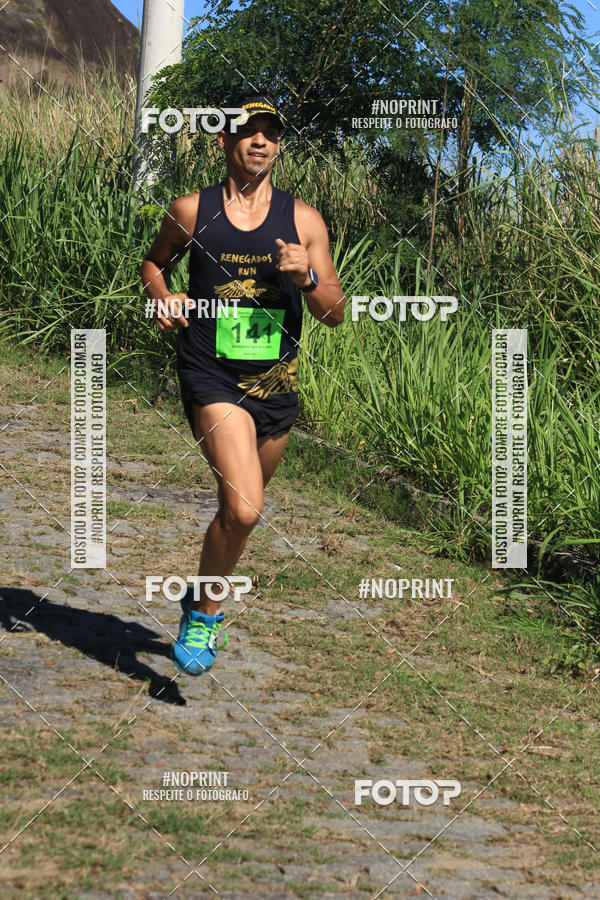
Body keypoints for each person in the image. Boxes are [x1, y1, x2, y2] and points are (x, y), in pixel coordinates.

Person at [140, 91, 345, 676]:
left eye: (271, 132)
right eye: (249, 130)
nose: (261, 141)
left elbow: (335, 312)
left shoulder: (303, 221)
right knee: (246, 507)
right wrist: (163, 297)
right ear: (225, 139)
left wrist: (307, 277)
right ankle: (206, 617)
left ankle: (200, 594)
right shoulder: (190, 211)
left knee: (235, 516)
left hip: (276, 385)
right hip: (211, 375)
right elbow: (154, 264)